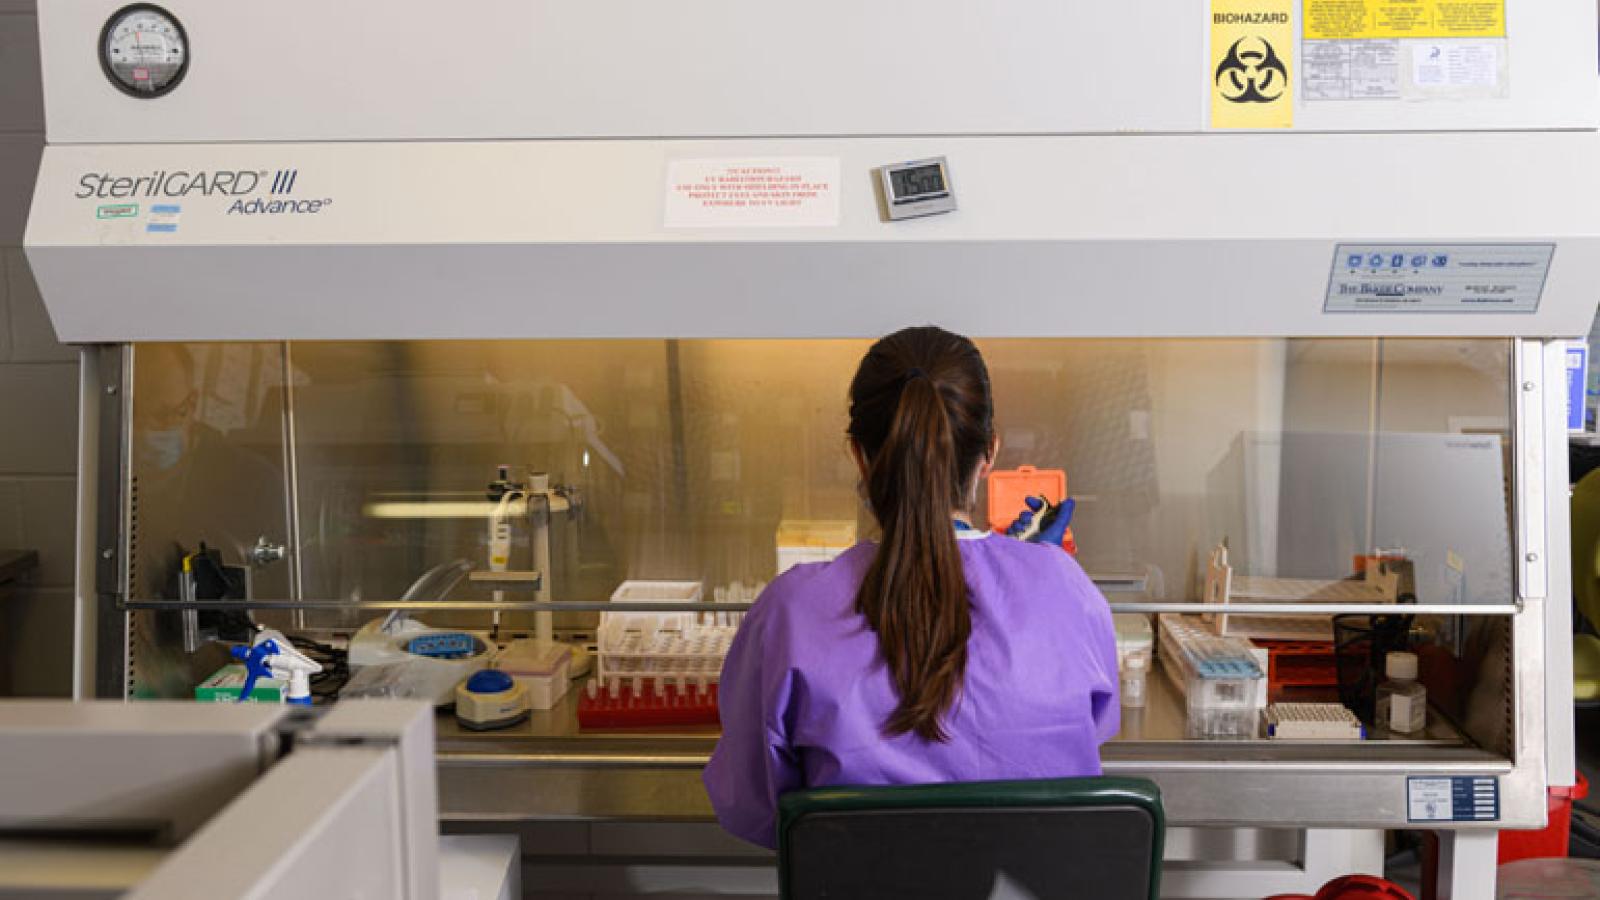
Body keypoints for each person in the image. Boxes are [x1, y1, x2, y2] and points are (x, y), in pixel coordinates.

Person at [703, 326, 1119, 849]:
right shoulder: (1065, 591)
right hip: (1029, 884)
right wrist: (1031, 575)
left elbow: (754, 805)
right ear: (990, 452)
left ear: (859, 455)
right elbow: (1087, 739)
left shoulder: (791, 612)